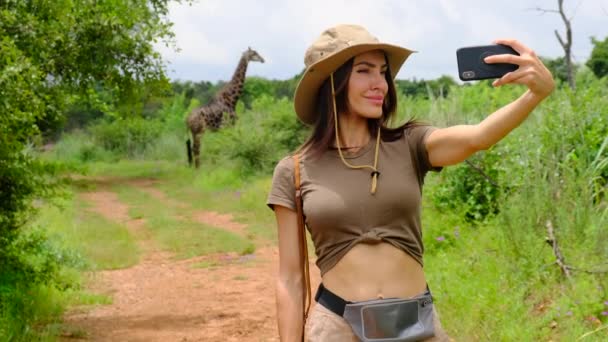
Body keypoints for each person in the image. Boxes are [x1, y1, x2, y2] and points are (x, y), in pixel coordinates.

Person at [266, 24, 554, 341]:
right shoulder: (294, 169)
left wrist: (535, 94)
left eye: (383, 72)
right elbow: (291, 279)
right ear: (332, 82)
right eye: (364, 71)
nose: (381, 84)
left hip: (418, 326)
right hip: (337, 327)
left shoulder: (410, 144)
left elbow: (478, 137)